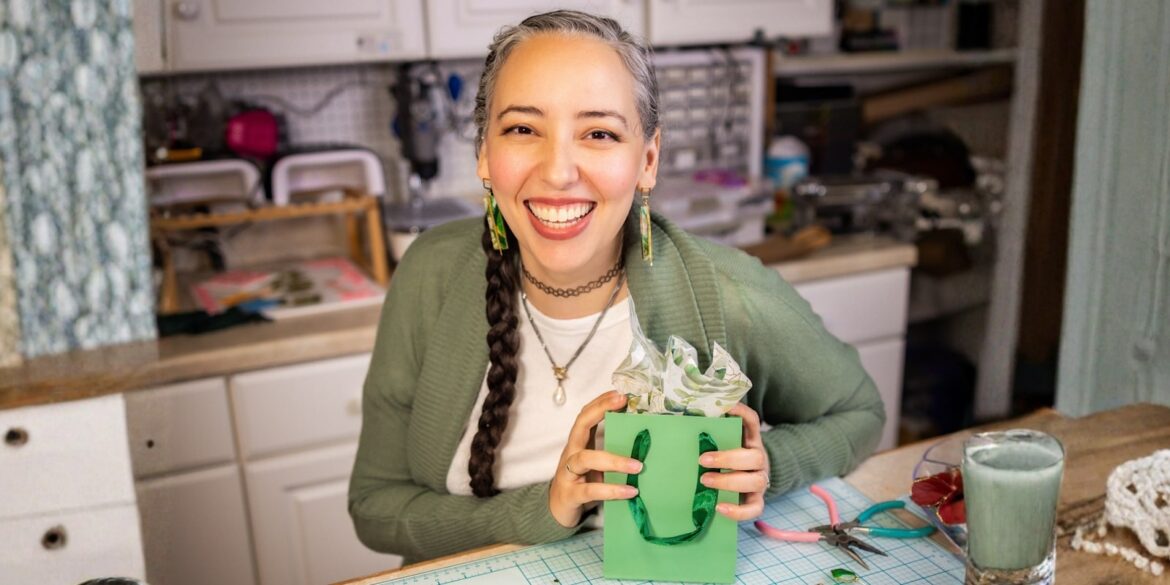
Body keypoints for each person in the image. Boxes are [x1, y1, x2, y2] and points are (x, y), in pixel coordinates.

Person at [348, 10, 885, 564]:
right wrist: (547, 508)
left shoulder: (728, 293)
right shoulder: (430, 273)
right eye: (523, 129)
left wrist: (768, 464)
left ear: (647, 159)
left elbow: (860, 413)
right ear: (484, 153)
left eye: (599, 133)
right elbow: (375, 506)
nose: (558, 172)